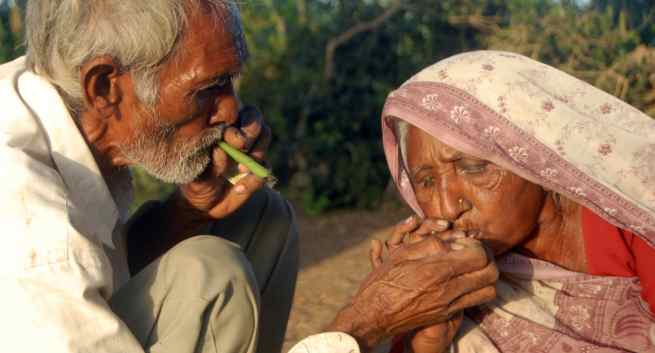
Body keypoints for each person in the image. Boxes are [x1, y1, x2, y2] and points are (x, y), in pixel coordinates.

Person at [0, 1, 499, 352]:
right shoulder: (30, 232)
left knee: (261, 217)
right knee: (209, 274)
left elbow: (105, 279)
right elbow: (62, 266)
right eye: (208, 88)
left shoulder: (50, 100)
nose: (230, 109)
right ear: (106, 85)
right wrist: (361, 328)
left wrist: (189, 213)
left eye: (231, 82)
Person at [373, 50, 655, 352]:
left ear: (532, 155)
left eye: (473, 168)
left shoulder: (635, 217)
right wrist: (425, 332)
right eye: (426, 182)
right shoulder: (457, 278)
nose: (446, 208)